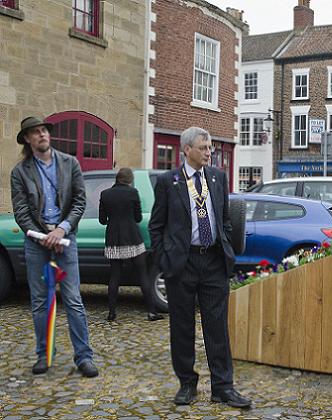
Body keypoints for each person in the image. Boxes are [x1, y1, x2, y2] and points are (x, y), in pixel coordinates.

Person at [148, 127, 251, 408]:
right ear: (187, 150)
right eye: (203, 148)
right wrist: (165, 259)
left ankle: (223, 387)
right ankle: (187, 384)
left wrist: (225, 244)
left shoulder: (217, 178)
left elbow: (225, 218)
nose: (209, 152)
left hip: (213, 261)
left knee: (217, 327)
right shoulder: (169, 181)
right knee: (182, 327)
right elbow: (156, 226)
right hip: (182, 264)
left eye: (210, 148)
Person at [10, 116, 99, 378]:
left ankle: (84, 357)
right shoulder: (20, 172)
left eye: (44, 131)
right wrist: (43, 236)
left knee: (73, 300)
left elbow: (80, 202)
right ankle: (43, 355)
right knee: (40, 302)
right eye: (36, 133)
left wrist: (62, 229)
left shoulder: (70, 163)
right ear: (27, 139)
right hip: (37, 244)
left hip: (66, 240)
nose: (42, 135)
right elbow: (21, 212)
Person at [98, 167, 163, 322]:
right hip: (133, 238)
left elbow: (102, 220)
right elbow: (138, 218)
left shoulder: (105, 194)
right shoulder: (132, 193)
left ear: (117, 178)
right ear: (129, 180)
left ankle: (112, 313)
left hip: (114, 239)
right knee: (143, 274)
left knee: (114, 276)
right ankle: (151, 312)